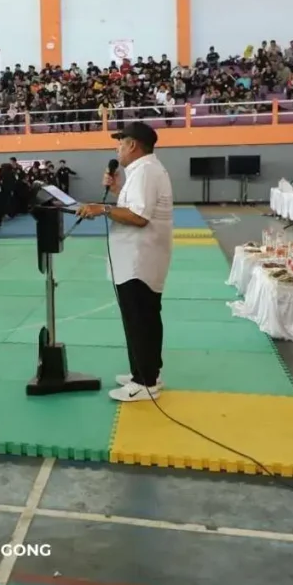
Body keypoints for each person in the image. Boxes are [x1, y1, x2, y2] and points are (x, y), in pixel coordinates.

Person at [77, 122, 174, 402]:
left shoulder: (145, 171)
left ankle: (144, 381)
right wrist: (118, 190)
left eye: (120, 142)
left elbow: (140, 218)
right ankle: (146, 372)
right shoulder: (143, 170)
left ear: (133, 145)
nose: (116, 148)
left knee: (139, 318)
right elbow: (135, 207)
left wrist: (103, 208)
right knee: (144, 317)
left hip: (139, 260)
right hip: (140, 258)